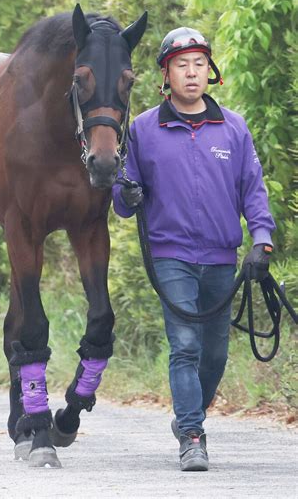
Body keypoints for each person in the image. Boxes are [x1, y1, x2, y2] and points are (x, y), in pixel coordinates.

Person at [112, 27, 276, 471]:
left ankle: (190, 414)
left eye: (199, 64)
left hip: (223, 259)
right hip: (171, 257)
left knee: (215, 354)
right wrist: (124, 196)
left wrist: (262, 239)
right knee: (184, 345)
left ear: (210, 72)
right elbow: (124, 200)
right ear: (166, 74)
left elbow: (253, 191)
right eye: (181, 65)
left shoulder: (234, 128)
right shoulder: (144, 130)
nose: (191, 73)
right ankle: (192, 434)